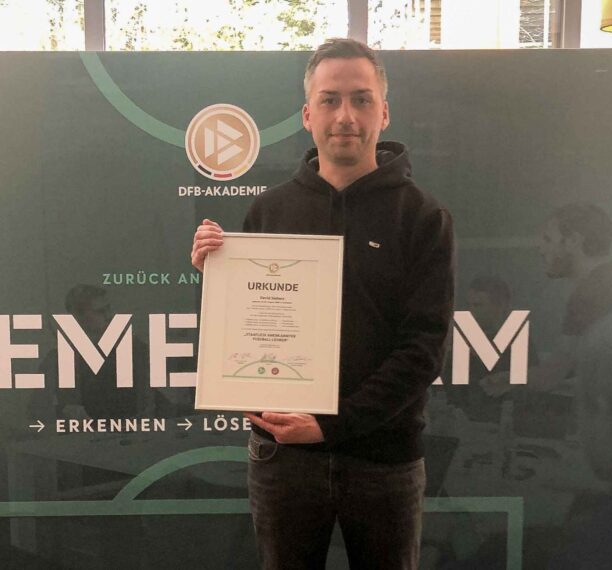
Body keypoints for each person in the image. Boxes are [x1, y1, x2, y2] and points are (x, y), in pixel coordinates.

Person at [190, 38, 455, 569]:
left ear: (384, 111)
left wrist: (333, 424)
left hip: (384, 460)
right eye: (330, 100)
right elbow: (248, 328)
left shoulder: (423, 216)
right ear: (308, 115)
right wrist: (220, 278)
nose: (345, 116)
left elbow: (423, 349)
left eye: (361, 99)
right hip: (283, 458)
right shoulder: (269, 211)